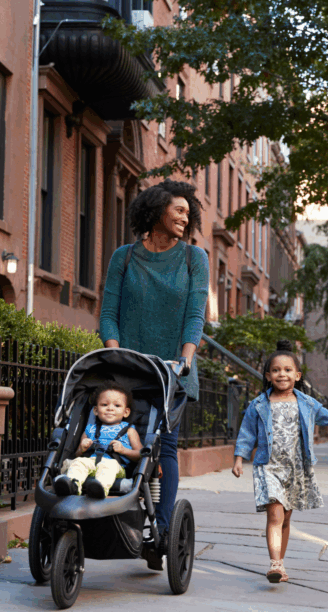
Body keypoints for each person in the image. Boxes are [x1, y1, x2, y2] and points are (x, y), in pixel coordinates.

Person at [99, 179, 209, 570]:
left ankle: (161, 531)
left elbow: (196, 314)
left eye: (187, 212)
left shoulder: (195, 258)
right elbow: (108, 312)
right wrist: (113, 356)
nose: (186, 217)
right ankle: (116, 516)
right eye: (178, 210)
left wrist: (187, 357)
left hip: (172, 372)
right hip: (126, 371)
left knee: (164, 448)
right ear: (156, 210)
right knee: (116, 438)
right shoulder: (124, 257)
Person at [232, 340, 328, 583]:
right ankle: (275, 564)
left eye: (288, 370)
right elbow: (246, 433)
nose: (282, 374)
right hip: (268, 467)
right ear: (268, 376)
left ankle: (280, 563)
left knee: (286, 518)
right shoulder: (259, 404)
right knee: (275, 516)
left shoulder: (307, 403)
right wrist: (239, 458)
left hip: (296, 469)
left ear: (297, 375)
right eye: (276, 370)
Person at [54, 383, 142, 498]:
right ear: (96, 410)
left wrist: (124, 450)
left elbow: (141, 454)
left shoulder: (129, 430)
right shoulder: (90, 429)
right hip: (91, 462)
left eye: (117, 405)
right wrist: (82, 448)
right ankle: (72, 486)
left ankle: (99, 489)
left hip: (117, 466)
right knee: (78, 462)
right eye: (104, 404)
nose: (110, 408)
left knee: (108, 465)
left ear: (126, 412)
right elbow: (77, 454)